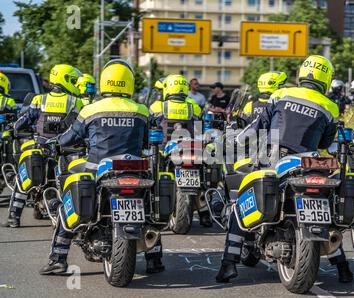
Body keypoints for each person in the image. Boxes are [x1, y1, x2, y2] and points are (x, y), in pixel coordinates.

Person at [216, 55, 353, 284]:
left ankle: (228, 264)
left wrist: (234, 141)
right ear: (326, 79)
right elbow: (324, 145)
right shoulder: (330, 107)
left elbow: (257, 126)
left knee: (240, 204)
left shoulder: (281, 94)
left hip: (274, 161)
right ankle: (342, 267)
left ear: (301, 74)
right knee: (323, 212)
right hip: (309, 164)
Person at [38, 59, 159, 275]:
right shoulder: (142, 110)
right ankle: (154, 258)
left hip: (97, 169)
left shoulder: (91, 109)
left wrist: (54, 143)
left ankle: (58, 258)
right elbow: (148, 142)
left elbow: (69, 137)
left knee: (68, 206)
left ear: (105, 82)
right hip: (134, 169)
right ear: (128, 82)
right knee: (148, 209)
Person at [2, 64, 84, 228]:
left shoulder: (39, 100)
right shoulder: (76, 102)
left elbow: (22, 123)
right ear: (65, 80)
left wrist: (14, 128)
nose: (75, 85)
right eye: (74, 81)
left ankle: (13, 216)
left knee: (22, 178)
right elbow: (80, 128)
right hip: (64, 152)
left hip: (41, 149)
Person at [149, 75, 212, 227]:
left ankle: (154, 209)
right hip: (190, 148)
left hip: (164, 150)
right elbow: (200, 128)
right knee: (203, 180)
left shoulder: (157, 106)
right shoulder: (193, 106)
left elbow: (149, 126)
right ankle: (205, 213)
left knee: (153, 176)